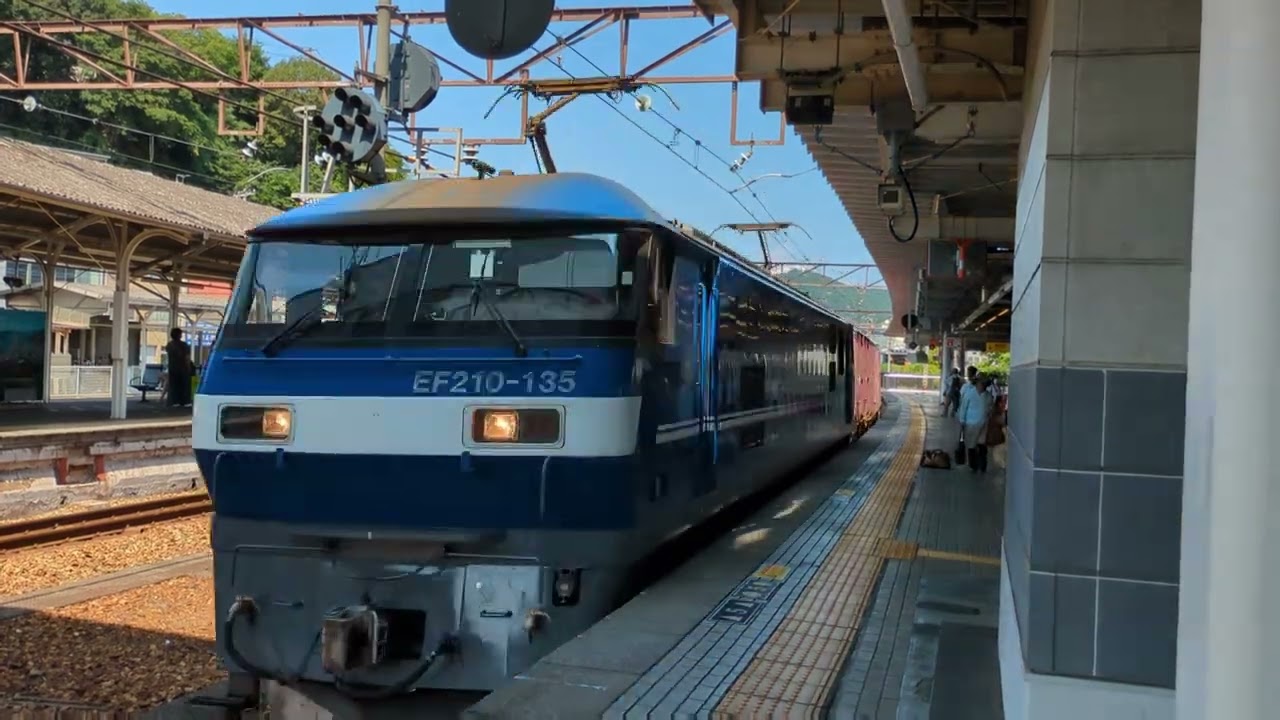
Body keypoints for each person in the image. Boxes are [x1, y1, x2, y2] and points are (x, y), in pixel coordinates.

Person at [956, 374, 993, 473]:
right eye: (982, 383)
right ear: (977, 383)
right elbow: (963, 408)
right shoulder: (969, 394)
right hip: (970, 423)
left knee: (982, 444)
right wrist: (962, 421)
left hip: (984, 423)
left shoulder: (988, 395)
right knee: (971, 445)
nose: (983, 385)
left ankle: (982, 465)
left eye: (985, 384)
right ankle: (973, 465)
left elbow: (990, 409)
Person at [165, 328, 193, 407]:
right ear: (179, 335)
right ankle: (185, 401)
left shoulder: (169, 345)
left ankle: (175, 401)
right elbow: (187, 357)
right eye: (180, 334)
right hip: (183, 368)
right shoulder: (184, 345)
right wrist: (188, 367)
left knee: (174, 385)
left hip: (172, 368)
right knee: (185, 385)